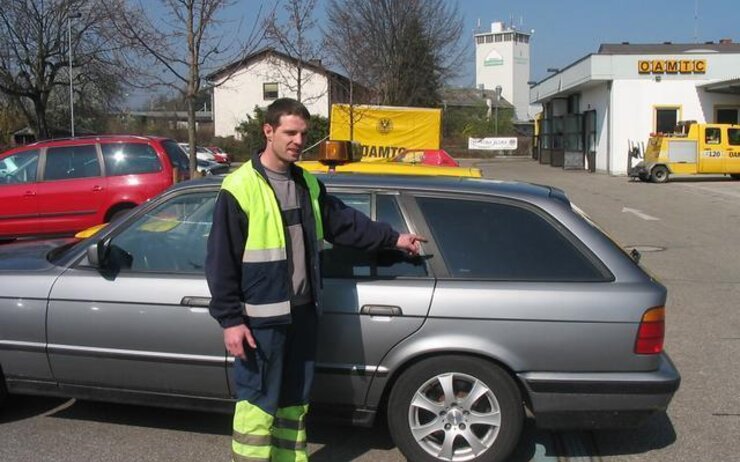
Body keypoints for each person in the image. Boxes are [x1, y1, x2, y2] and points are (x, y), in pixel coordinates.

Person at [205, 98, 424, 462]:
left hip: (303, 315)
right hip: (260, 321)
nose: (297, 141)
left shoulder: (307, 183)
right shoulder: (239, 187)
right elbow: (221, 262)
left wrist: (394, 238)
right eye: (290, 132)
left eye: (303, 134)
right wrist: (231, 321)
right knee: (258, 403)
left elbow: (345, 224)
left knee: (294, 401)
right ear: (268, 131)